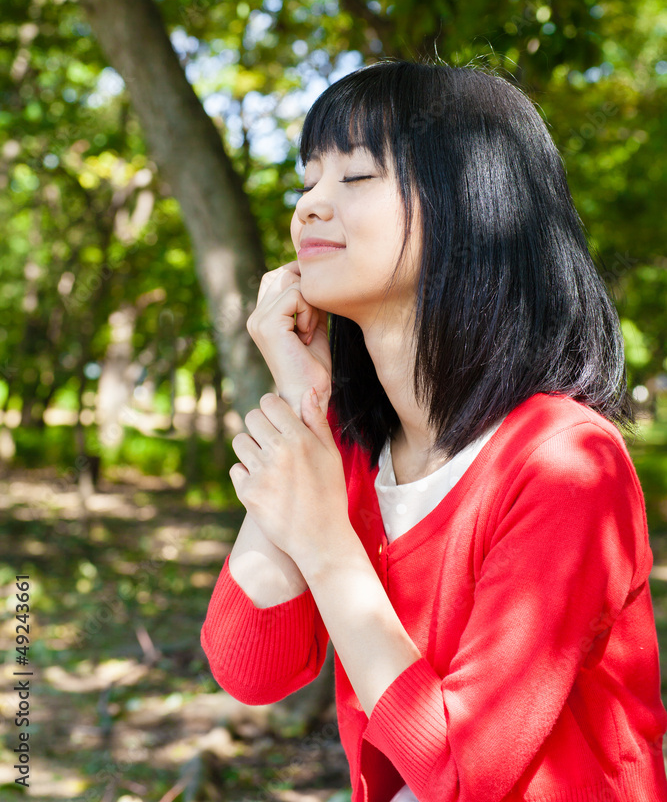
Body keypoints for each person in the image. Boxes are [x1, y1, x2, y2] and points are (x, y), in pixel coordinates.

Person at [200, 58, 667, 802]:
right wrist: (302, 398)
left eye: (355, 178)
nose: (309, 207)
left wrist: (325, 542)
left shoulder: (566, 462)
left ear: (472, 208)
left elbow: (461, 770)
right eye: (307, 179)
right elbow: (252, 666)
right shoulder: (357, 448)